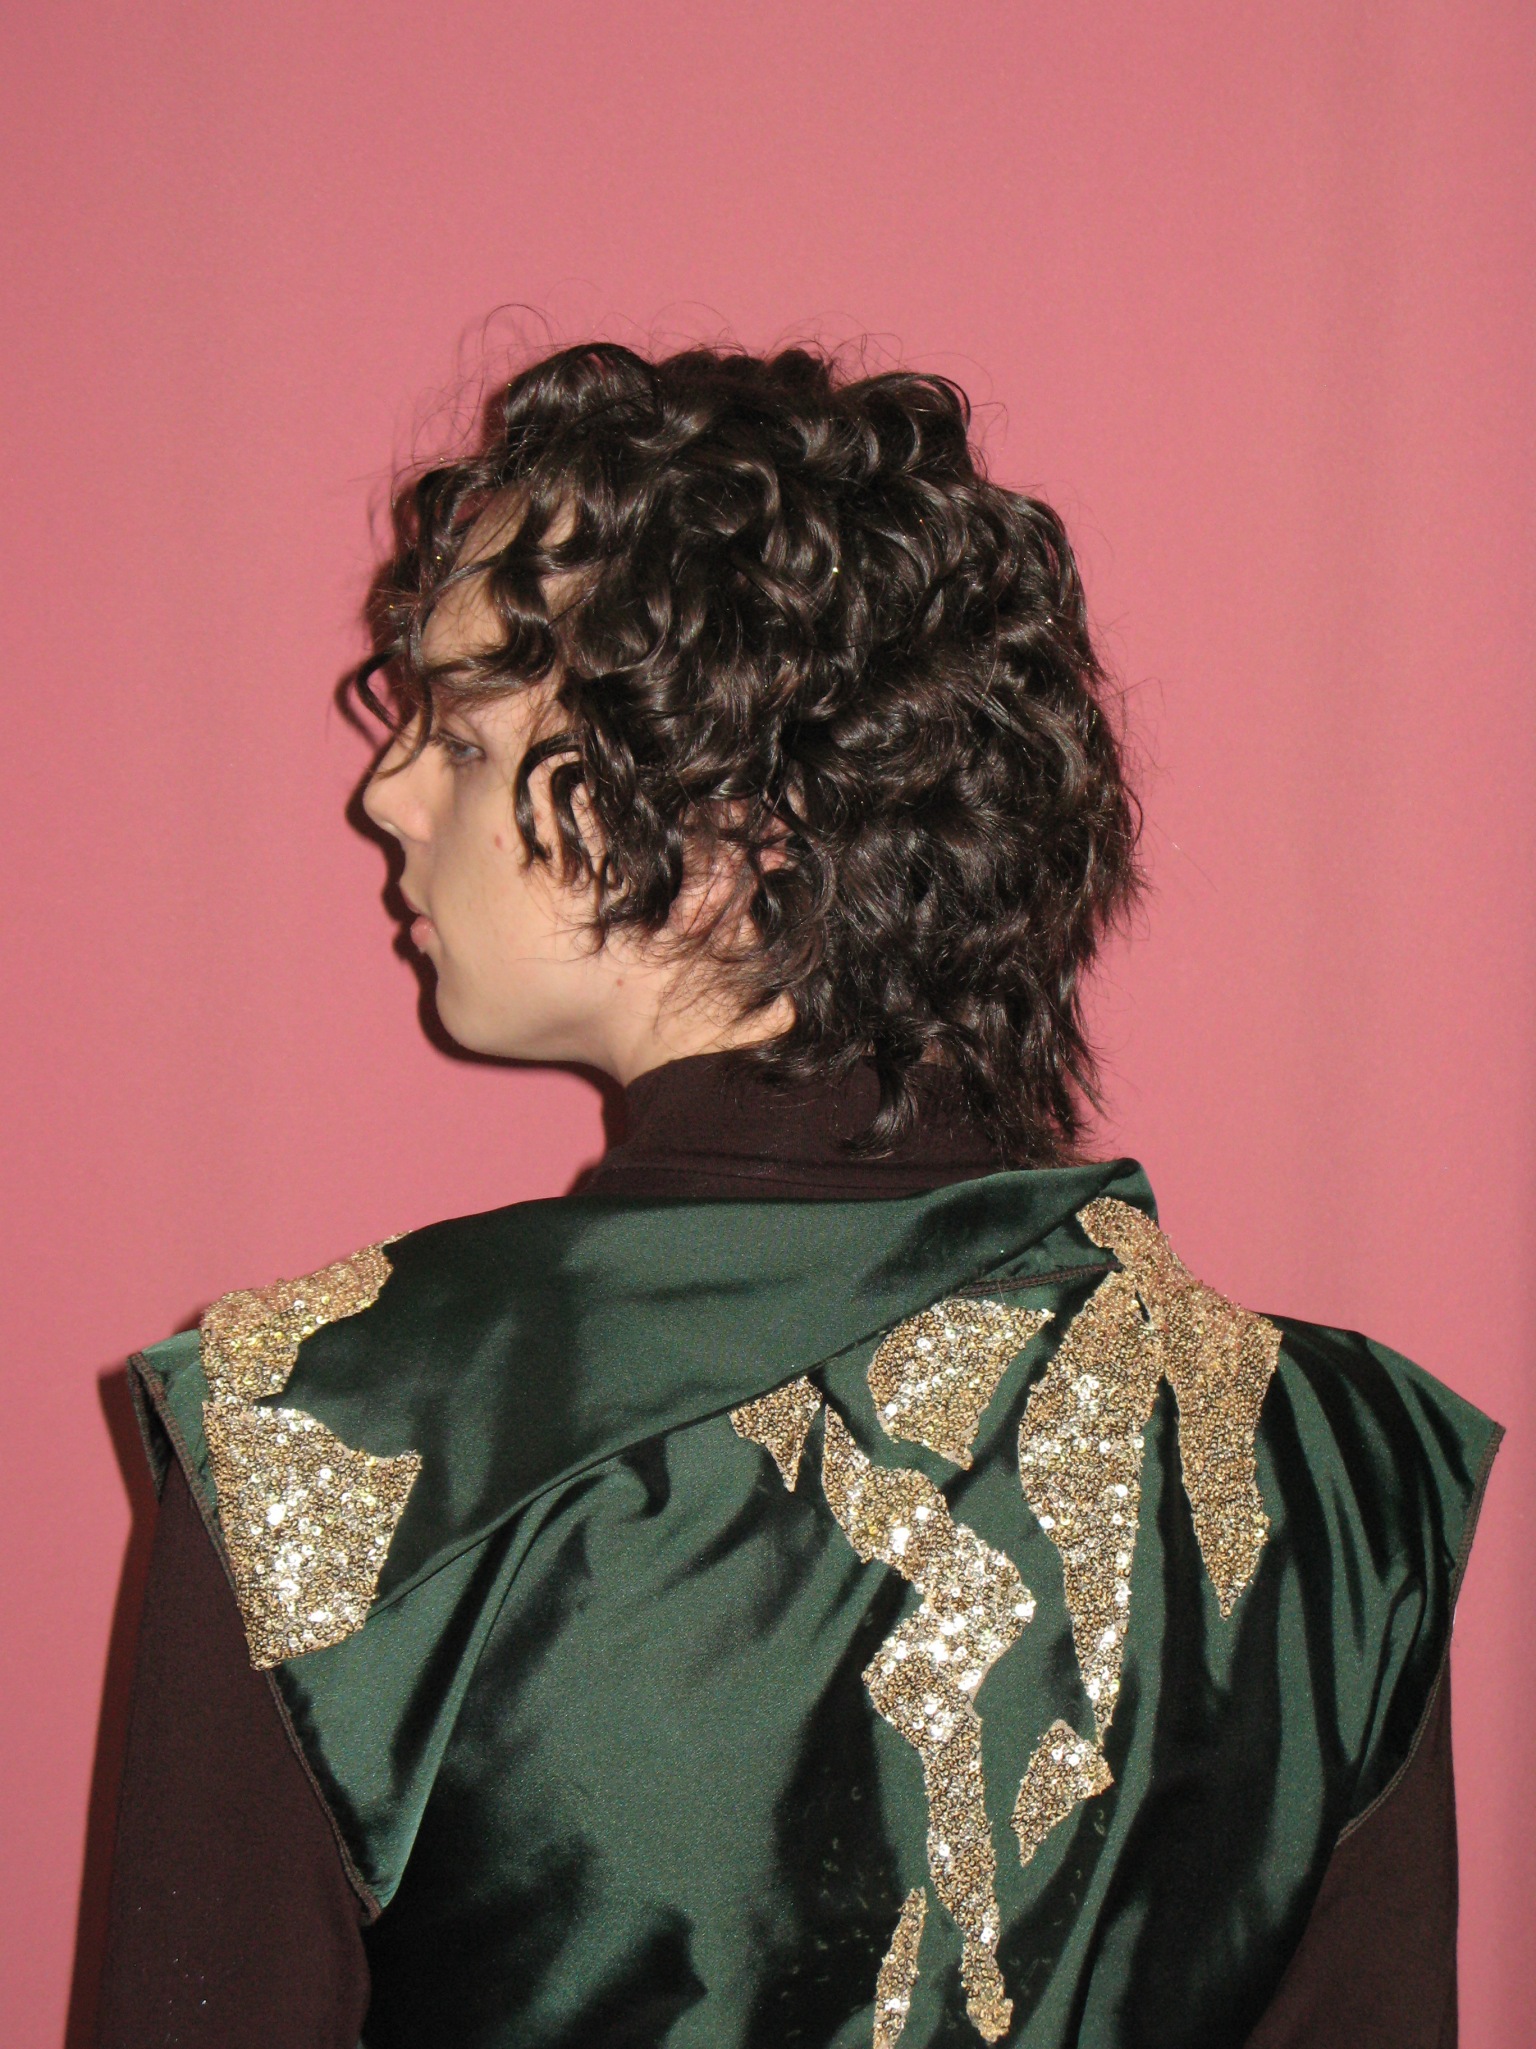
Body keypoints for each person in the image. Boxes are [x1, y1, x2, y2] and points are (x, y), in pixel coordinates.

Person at [97, 342, 1498, 2049]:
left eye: (461, 736)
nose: (382, 794)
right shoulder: (1337, 1484)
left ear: (738, 819)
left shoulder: (331, 1437)